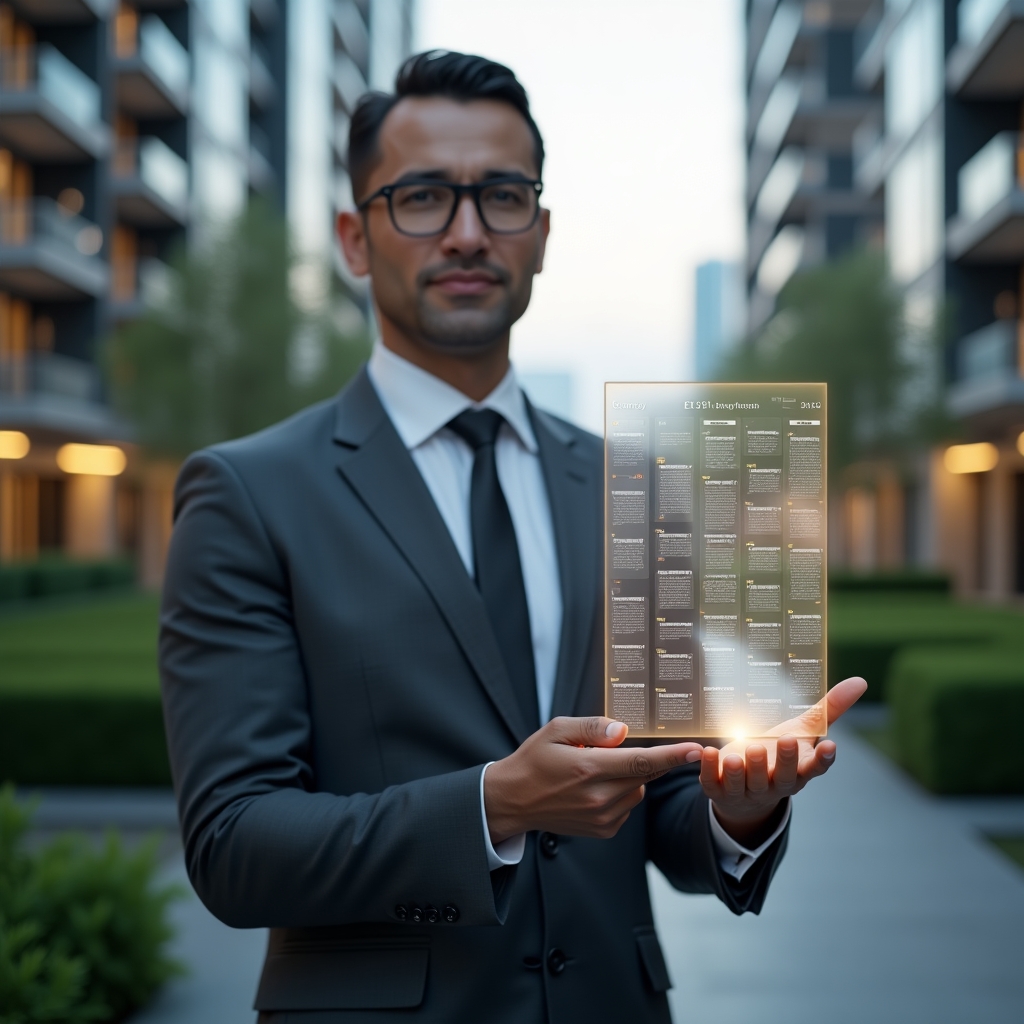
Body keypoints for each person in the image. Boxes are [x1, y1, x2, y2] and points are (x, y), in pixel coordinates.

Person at [159, 50, 866, 1024]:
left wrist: (738, 805)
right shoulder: (249, 492)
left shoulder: (633, 486)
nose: (464, 232)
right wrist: (495, 803)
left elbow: (662, 809)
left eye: (500, 196)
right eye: (420, 198)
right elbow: (236, 847)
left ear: (539, 232)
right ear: (353, 239)